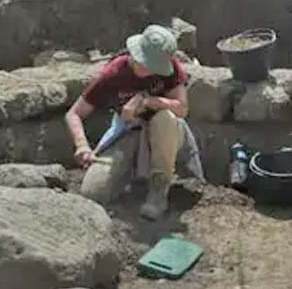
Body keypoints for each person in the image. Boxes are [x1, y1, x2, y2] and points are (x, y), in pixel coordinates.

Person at [65, 25, 202, 220]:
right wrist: (82, 145)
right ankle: (130, 176)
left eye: (153, 66)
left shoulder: (170, 68)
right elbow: (74, 113)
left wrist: (148, 101)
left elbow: (181, 109)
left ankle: (159, 189)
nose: (148, 69)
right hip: (129, 131)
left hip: (166, 136)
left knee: (165, 118)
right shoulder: (114, 73)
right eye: (144, 63)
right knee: (93, 192)